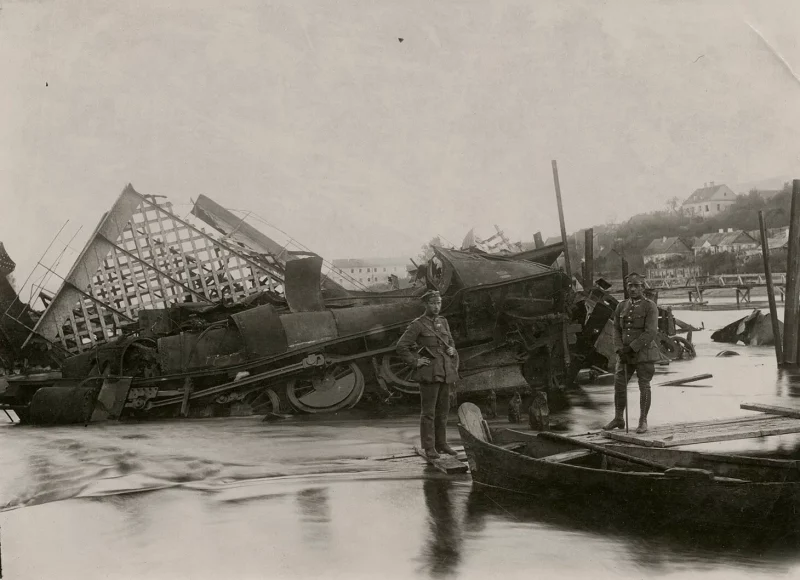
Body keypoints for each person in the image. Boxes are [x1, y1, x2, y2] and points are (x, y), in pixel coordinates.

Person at [396, 290, 460, 459]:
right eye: (432, 303)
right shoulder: (418, 324)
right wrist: (415, 361)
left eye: (438, 303)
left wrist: (452, 349)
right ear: (425, 305)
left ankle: (442, 444)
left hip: (445, 371)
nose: (436, 306)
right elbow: (401, 346)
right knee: (429, 413)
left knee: (443, 411)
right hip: (429, 373)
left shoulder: (443, 321)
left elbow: (450, 341)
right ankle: (429, 447)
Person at [603, 273, 661, 434]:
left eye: (637, 286)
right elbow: (616, 328)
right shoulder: (621, 306)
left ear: (643, 287)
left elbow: (650, 332)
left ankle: (643, 421)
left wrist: (631, 347)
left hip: (644, 354)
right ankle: (618, 418)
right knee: (619, 385)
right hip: (624, 355)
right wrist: (619, 348)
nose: (633, 289)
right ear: (626, 287)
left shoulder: (650, 306)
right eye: (630, 286)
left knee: (644, 386)